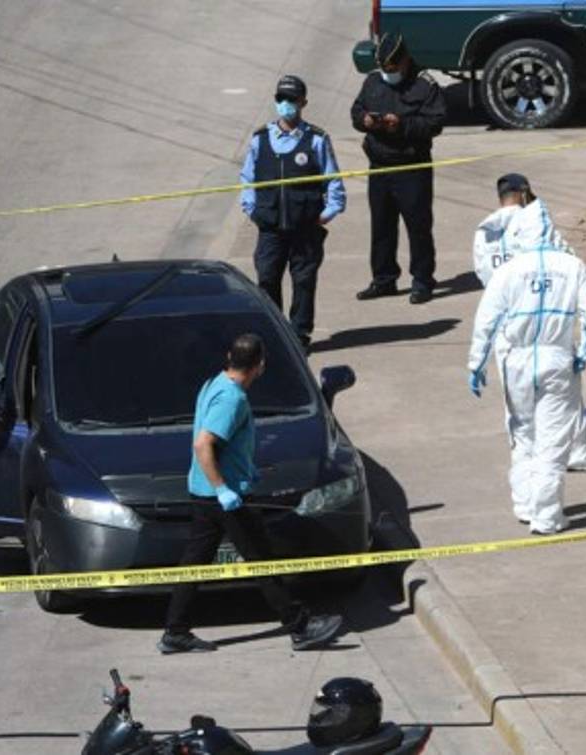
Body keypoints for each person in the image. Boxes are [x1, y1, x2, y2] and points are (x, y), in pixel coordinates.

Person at [158, 334, 343, 654]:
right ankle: (300, 626)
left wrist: (241, 470)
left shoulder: (213, 383)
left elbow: (221, 445)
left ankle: (175, 631)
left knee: (195, 563)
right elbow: (203, 445)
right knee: (262, 561)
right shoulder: (233, 399)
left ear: (229, 357)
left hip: (203, 492)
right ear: (260, 366)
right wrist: (224, 489)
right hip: (225, 497)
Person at [468, 216, 586, 534]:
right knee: (553, 439)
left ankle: (525, 503)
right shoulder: (573, 266)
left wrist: (477, 365)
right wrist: (585, 353)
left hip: (517, 360)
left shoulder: (508, 270)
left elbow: (486, 320)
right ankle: (546, 515)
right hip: (556, 358)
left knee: (523, 434)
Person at [471, 174, 586, 472]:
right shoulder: (534, 225)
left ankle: (526, 463)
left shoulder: (484, 232)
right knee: (564, 400)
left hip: (509, 331)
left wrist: (476, 362)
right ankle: (573, 453)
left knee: (517, 409)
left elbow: (483, 274)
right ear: (523, 193)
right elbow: (565, 260)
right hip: (548, 325)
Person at [240, 75, 346, 350]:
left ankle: (299, 335)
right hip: (270, 228)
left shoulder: (316, 139)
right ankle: (274, 333)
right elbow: (247, 179)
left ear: (303, 102)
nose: (285, 104)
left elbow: (333, 180)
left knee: (304, 282)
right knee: (267, 279)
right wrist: (252, 210)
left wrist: (327, 213)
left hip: (305, 228)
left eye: (291, 99)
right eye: (281, 98)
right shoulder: (260, 139)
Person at [350, 32, 446, 304]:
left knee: (418, 227)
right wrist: (364, 121)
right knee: (381, 227)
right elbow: (356, 110)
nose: (388, 73)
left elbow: (435, 123)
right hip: (379, 167)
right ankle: (384, 279)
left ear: (404, 61)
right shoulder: (373, 81)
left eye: (392, 68)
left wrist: (401, 125)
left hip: (411, 168)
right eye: (384, 68)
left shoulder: (424, 85)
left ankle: (422, 280)